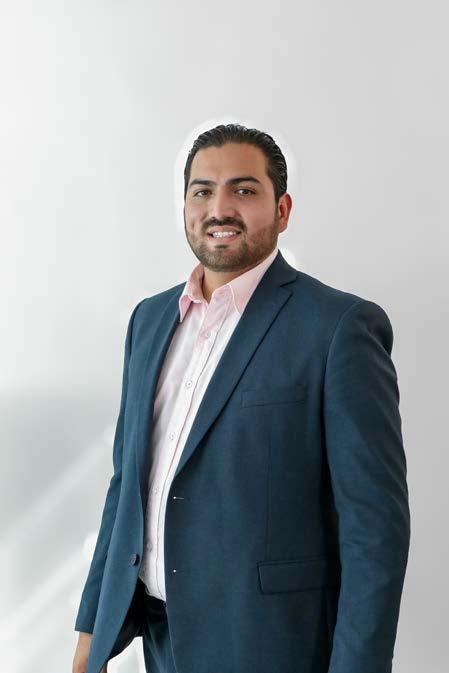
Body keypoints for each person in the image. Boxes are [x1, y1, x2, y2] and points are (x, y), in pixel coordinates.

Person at [72, 123, 410, 673]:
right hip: (159, 638)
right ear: (185, 207)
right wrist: (92, 629)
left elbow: (375, 532)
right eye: (202, 191)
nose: (219, 208)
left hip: (270, 645)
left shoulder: (338, 328)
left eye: (244, 189)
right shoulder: (149, 320)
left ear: (282, 209)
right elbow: (126, 486)